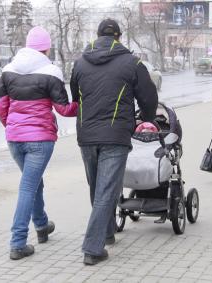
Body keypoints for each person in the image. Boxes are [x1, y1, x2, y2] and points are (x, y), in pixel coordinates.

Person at [70, 19, 158, 265]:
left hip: (86, 135)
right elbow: (149, 97)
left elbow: (74, 94)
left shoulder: (79, 63)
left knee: (97, 187)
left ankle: (107, 232)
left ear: (97, 36)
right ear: (119, 37)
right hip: (115, 135)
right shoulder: (133, 63)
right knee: (107, 189)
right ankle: (92, 247)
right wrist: (148, 119)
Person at [0, 27, 79, 260]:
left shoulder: (8, 70)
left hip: (14, 139)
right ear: (46, 47)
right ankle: (18, 242)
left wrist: (12, 126)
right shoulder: (51, 72)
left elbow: (1, 106)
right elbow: (63, 108)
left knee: (33, 182)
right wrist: (84, 106)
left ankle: (42, 225)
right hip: (40, 140)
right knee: (28, 187)